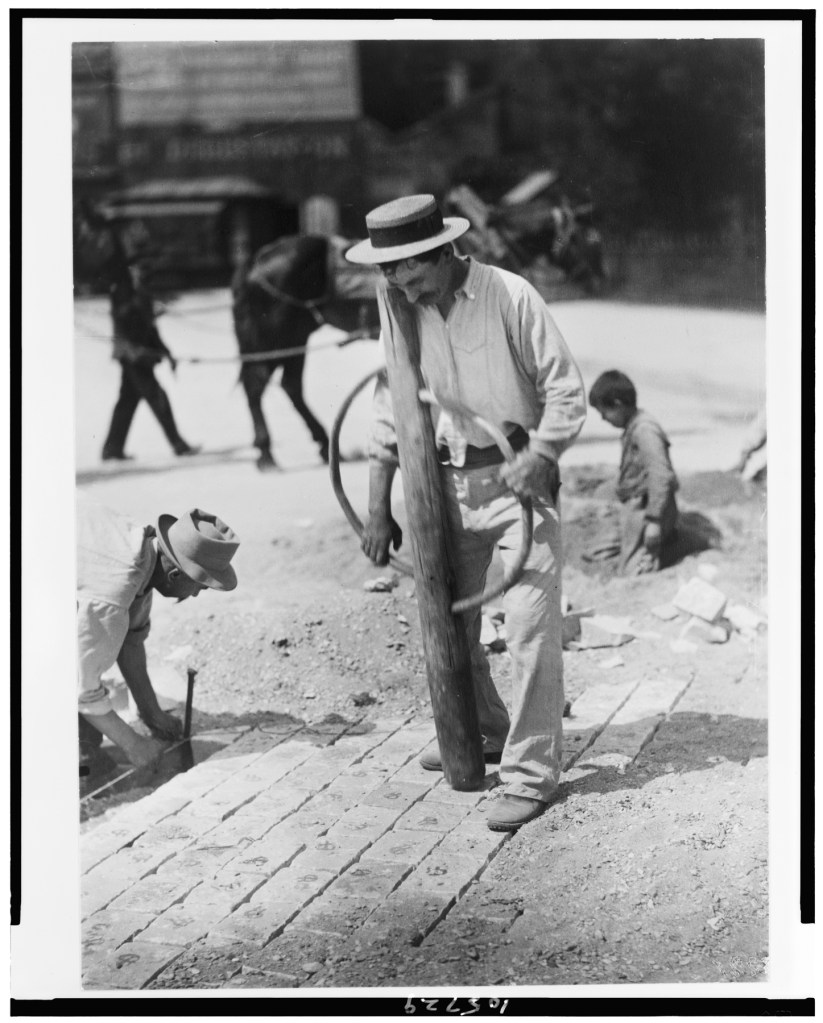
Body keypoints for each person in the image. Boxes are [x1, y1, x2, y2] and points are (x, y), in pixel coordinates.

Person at [346, 194, 586, 831]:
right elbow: (388, 406)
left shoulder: (510, 296)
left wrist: (542, 452)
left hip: (519, 488)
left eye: (407, 268)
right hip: (443, 489)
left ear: (443, 252)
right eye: (388, 271)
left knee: (532, 626)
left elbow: (564, 389)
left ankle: (532, 775)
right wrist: (378, 505)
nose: (396, 281)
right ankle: (481, 731)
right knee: (451, 624)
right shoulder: (402, 311)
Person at [77, 493, 240, 769]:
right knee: (82, 744)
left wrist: (152, 713)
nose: (198, 595)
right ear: (176, 575)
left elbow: (131, 643)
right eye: (200, 585)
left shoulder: (143, 554)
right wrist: (134, 745)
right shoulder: (113, 593)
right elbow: (82, 689)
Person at [100, 259, 200, 462]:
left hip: (138, 356)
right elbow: (125, 319)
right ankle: (179, 445)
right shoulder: (123, 292)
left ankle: (112, 449)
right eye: (140, 272)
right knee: (157, 398)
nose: (144, 276)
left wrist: (167, 353)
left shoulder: (142, 294)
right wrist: (148, 308)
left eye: (146, 273)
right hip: (132, 356)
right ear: (131, 271)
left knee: (127, 402)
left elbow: (150, 330)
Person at [586, 370, 679, 574]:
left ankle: (668, 546)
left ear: (618, 404)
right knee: (598, 550)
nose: (603, 419)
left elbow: (661, 475)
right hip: (635, 505)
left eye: (604, 413)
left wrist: (654, 521)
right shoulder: (633, 426)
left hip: (648, 508)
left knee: (631, 571)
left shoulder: (644, 430)